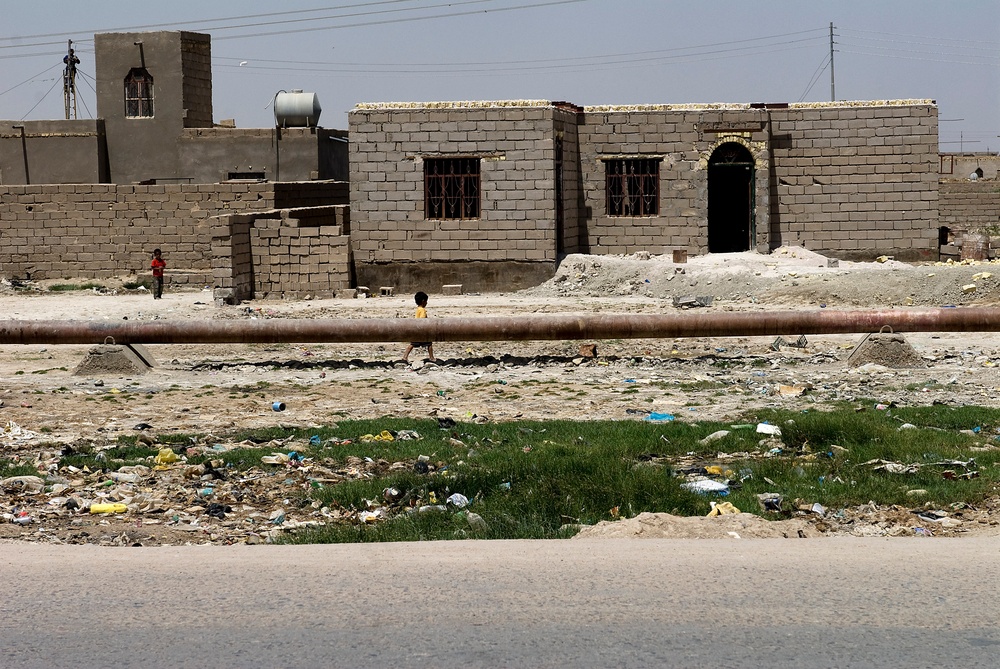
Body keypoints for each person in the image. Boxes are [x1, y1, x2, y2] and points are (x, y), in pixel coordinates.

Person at [401, 291, 436, 363]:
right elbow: (422, 320)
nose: (427, 303)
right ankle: (431, 357)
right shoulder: (423, 310)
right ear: (423, 301)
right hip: (421, 331)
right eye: (426, 301)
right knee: (429, 344)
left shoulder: (418, 309)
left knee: (412, 344)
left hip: (416, 329)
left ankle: (405, 357)